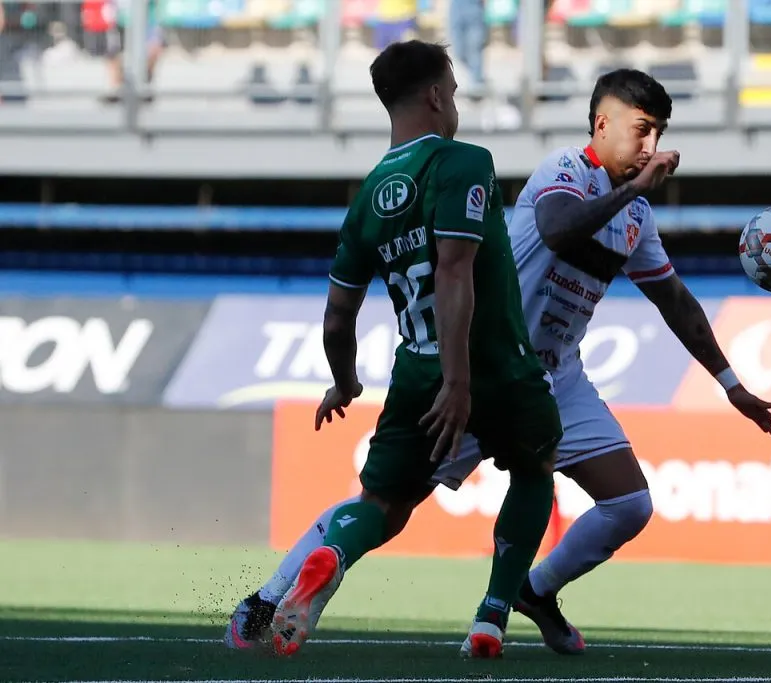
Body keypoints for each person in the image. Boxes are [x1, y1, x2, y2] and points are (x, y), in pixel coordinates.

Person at [227, 68, 771, 658]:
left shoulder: (636, 216)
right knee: (397, 507)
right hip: (487, 360)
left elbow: (675, 299)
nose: (650, 146)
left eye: (658, 134)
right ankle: (268, 601)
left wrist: (730, 384)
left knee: (629, 504)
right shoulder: (564, 172)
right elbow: (560, 230)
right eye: (641, 129)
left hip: (557, 374)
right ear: (602, 124)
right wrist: (636, 186)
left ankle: (533, 593)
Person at [226, 39, 563, 661]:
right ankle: (491, 616)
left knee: (382, 504)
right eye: (455, 91)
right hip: (492, 367)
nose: (455, 102)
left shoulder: (364, 202)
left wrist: (344, 381)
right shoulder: (464, 162)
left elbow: (337, 315)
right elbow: (455, 271)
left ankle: (333, 556)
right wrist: (459, 384)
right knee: (535, 469)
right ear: (436, 95)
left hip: (413, 372)